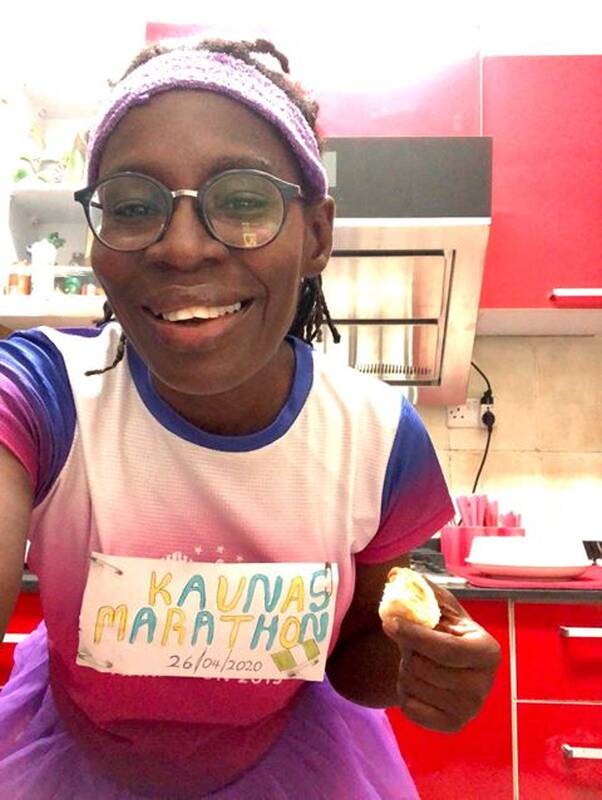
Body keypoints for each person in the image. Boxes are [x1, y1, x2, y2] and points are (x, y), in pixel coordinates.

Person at [0, 37, 500, 799]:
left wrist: (419, 666)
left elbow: (356, 652)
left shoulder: (376, 439)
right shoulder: (42, 394)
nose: (181, 247)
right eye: (133, 206)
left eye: (241, 201)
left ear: (316, 236)